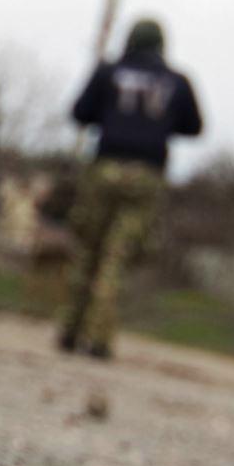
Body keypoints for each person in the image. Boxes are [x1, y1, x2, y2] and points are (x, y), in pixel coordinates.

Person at [58, 18, 202, 358]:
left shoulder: (108, 71)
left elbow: (79, 113)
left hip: (104, 168)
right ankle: (99, 338)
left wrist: (112, 118)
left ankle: (69, 330)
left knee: (88, 249)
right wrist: (159, 125)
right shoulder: (177, 81)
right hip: (146, 175)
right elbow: (194, 126)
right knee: (118, 256)